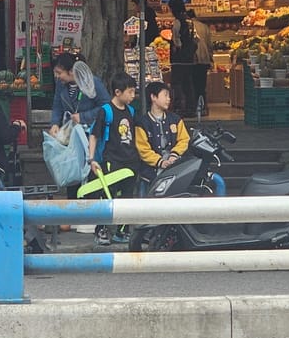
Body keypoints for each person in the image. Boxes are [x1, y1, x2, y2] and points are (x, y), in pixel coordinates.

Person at [88, 71, 140, 246]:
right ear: (118, 92)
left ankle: (122, 231)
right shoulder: (106, 111)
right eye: (130, 92)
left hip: (131, 161)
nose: (133, 95)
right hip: (112, 160)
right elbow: (94, 135)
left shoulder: (131, 111)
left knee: (127, 197)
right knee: (107, 196)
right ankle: (102, 230)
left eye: (134, 92)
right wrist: (92, 159)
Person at [135, 81, 190, 182]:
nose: (169, 99)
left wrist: (174, 154)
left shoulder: (175, 119)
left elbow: (184, 139)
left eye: (169, 96)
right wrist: (160, 162)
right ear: (153, 97)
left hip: (174, 169)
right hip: (150, 174)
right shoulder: (142, 123)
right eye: (165, 95)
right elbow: (143, 149)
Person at [49, 51, 109, 134]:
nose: (57, 76)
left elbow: (106, 107)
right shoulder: (61, 84)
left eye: (59, 73)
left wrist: (83, 117)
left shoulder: (93, 83)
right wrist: (55, 123)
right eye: (55, 73)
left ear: (71, 71)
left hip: (92, 131)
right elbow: (57, 105)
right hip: (69, 131)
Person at [168, 0, 197, 117]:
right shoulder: (190, 20)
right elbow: (195, 38)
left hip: (179, 59)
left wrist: (176, 48)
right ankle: (190, 108)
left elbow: (176, 40)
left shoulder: (177, 22)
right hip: (189, 57)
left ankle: (179, 108)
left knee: (177, 83)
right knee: (188, 83)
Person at [186, 7, 214, 116]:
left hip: (192, 59)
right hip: (204, 59)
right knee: (201, 86)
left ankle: (194, 108)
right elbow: (209, 44)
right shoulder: (204, 27)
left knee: (192, 85)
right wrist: (211, 59)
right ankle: (203, 108)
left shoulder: (187, 26)